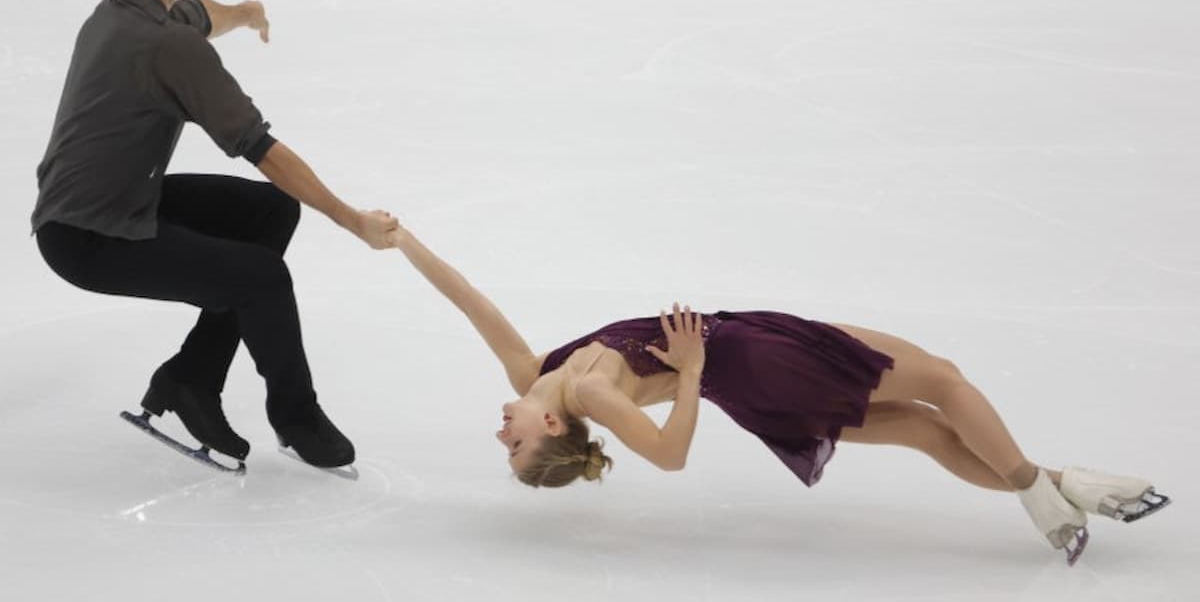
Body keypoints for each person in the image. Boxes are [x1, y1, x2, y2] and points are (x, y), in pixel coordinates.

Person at [387, 224, 1169, 565]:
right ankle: (1041, 488)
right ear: (554, 424)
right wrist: (691, 369)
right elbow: (669, 457)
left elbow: (471, 304)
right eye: (517, 446)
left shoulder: (537, 374)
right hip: (750, 356)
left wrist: (406, 241)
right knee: (944, 380)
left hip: (746, 371)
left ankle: (1066, 487)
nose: (502, 433)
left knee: (926, 432)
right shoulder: (591, 391)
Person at [31, 0, 398, 470]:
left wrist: (247, 13)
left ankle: (191, 379)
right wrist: (352, 220)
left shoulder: (123, 13)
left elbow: (204, 17)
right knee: (262, 276)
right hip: (89, 237)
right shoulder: (165, 44)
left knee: (269, 213)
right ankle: (297, 417)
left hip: (116, 202)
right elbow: (262, 149)